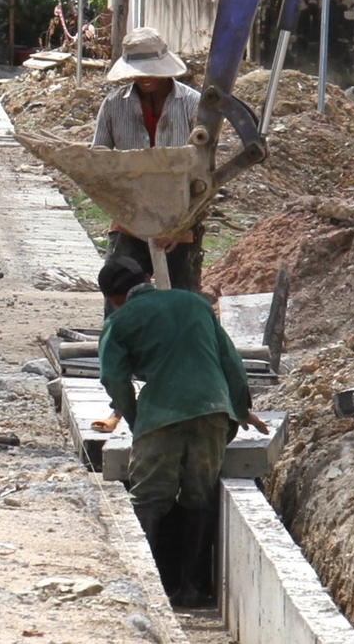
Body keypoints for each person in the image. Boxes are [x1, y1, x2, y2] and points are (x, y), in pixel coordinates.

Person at [91, 255, 266, 609]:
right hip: (213, 414)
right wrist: (240, 408)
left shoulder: (121, 320)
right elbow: (230, 360)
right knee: (200, 497)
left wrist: (137, 418)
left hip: (161, 417)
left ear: (113, 297)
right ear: (149, 277)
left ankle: (147, 590)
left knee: (149, 499)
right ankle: (190, 587)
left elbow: (113, 377)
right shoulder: (194, 303)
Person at [92, 26, 206, 294]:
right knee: (117, 292)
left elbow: (204, 174)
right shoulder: (113, 105)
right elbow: (99, 162)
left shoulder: (192, 104)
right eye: (139, 70)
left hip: (180, 221)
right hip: (129, 220)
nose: (145, 78)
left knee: (181, 302)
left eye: (151, 69)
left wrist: (179, 227)